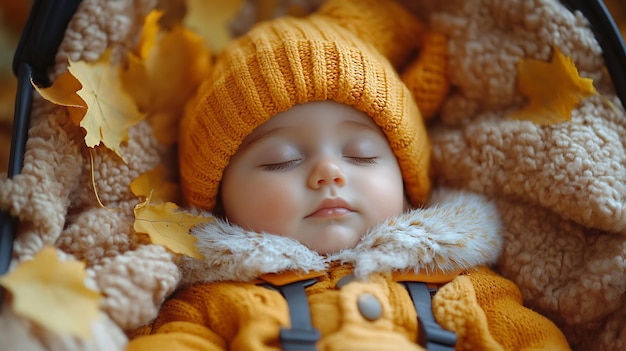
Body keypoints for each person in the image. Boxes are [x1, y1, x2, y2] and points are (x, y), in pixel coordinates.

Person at [127, 0, 571, 350]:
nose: (329, 172)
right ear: (220, 198)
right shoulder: (212, 307)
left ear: (407, 186)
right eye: (280, 159)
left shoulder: (461, 288)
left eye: (360, 154)